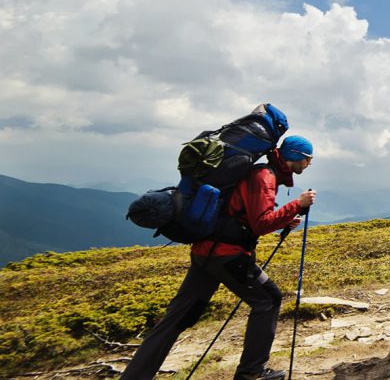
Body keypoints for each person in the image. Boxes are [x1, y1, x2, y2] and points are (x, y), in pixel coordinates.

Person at [121, 136, 317, 380]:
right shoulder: (264, 177)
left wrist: (285, 219)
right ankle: (251, 373)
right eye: (308, 159)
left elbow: (242, 214)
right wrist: (297, 205)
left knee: (176, 318)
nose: (309, 164)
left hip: (205, 253)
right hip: (228, 256)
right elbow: (260, 223)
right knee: (269, 299)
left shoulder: (260, 173)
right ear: (296, 156)